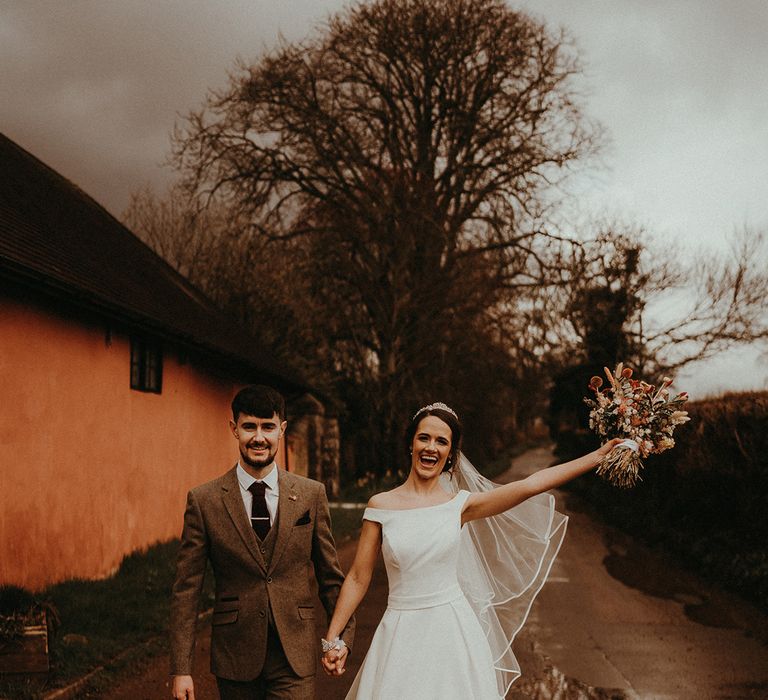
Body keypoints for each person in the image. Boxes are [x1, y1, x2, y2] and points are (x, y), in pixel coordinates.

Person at [320, 402, 623, 699]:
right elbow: (359, 577)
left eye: (442, 441)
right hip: (400, 632)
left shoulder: (460, 506)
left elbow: (531, 485)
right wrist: (332, 638)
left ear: (450, 455)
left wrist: (598, 455)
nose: (431, 447)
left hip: (452, 633)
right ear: (410, 444)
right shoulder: (380, 505)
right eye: (424, 437)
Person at [169, 384, 354, 700]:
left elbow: (331, 579)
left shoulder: (311, 494)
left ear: (282, 429)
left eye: (268, 427)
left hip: (294, 656)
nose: (258, 437)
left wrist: (340, 639)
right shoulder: (205, 501)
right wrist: (181, 669)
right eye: (249, 427)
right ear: (234, 429)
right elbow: (187, 589)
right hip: (235, 657)